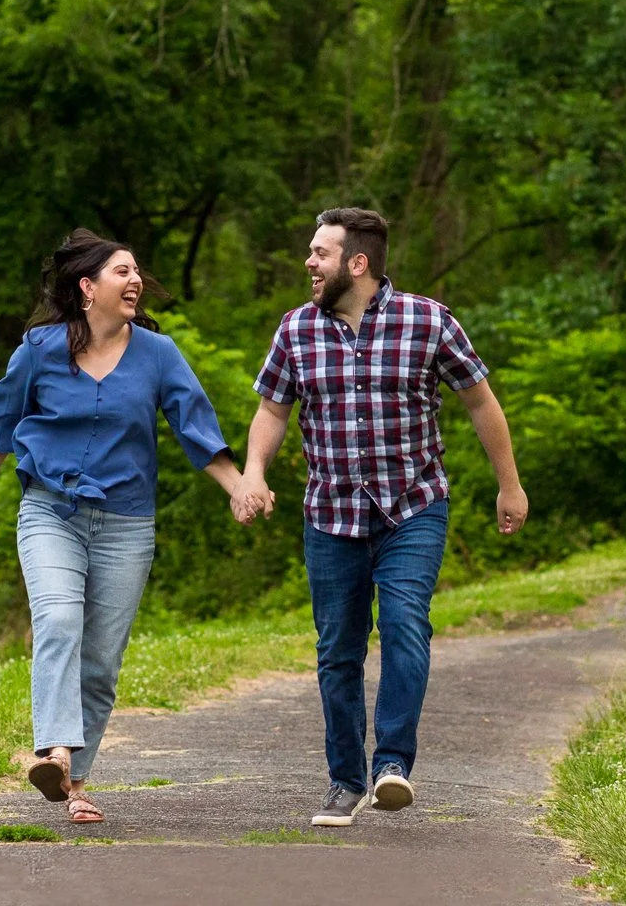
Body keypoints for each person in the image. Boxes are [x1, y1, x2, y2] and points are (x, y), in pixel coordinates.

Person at [231, 207, 528, 827]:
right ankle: (345, 781)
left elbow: (480, 403)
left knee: (403, 624)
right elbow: (274, 413)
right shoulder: (296, 331)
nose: (309, 264)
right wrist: (253, 473)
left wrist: (510, 485)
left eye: (320, 253)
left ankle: (391, 765)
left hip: (413, 505)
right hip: (330, 512)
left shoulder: (429, 321)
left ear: (357, 263)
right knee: (338, 650)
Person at [0, 228, 247, 825]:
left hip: (126, 523)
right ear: (87, 287)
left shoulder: (158, 354)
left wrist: (240, 485)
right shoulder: (40, 349)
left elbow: (194, 427)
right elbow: (1, 420)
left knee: (101, 660)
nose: (136, 280)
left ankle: (78, 782)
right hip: (50, 511)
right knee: (59, 618)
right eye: (122, 271)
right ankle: (54, 749)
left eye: (137, 271)